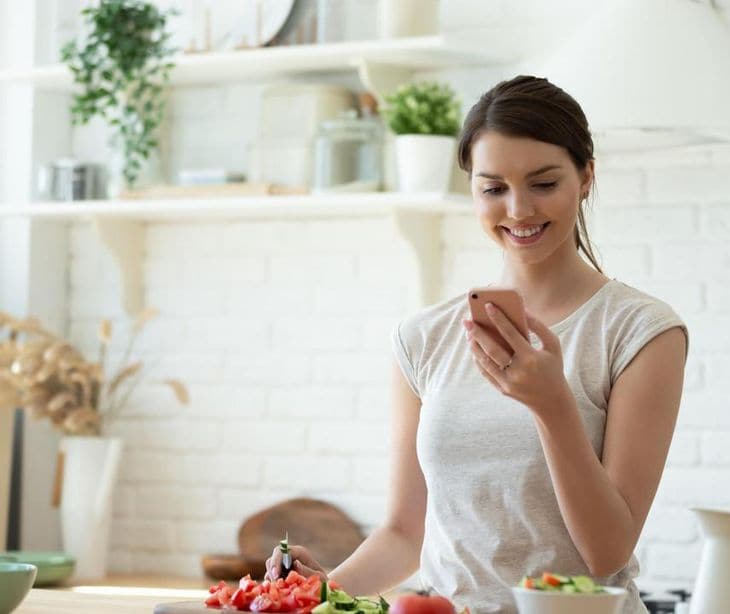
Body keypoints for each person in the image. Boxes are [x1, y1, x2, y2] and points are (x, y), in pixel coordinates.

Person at [266, 75, 689, 614]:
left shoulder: (640, 332)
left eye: (543, 183)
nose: (517, 210)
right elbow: (402, 533)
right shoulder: (423, 338)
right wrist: (316, 596)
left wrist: (552, 406)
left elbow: (607, 551)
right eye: (493, 188)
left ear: (585, 176)